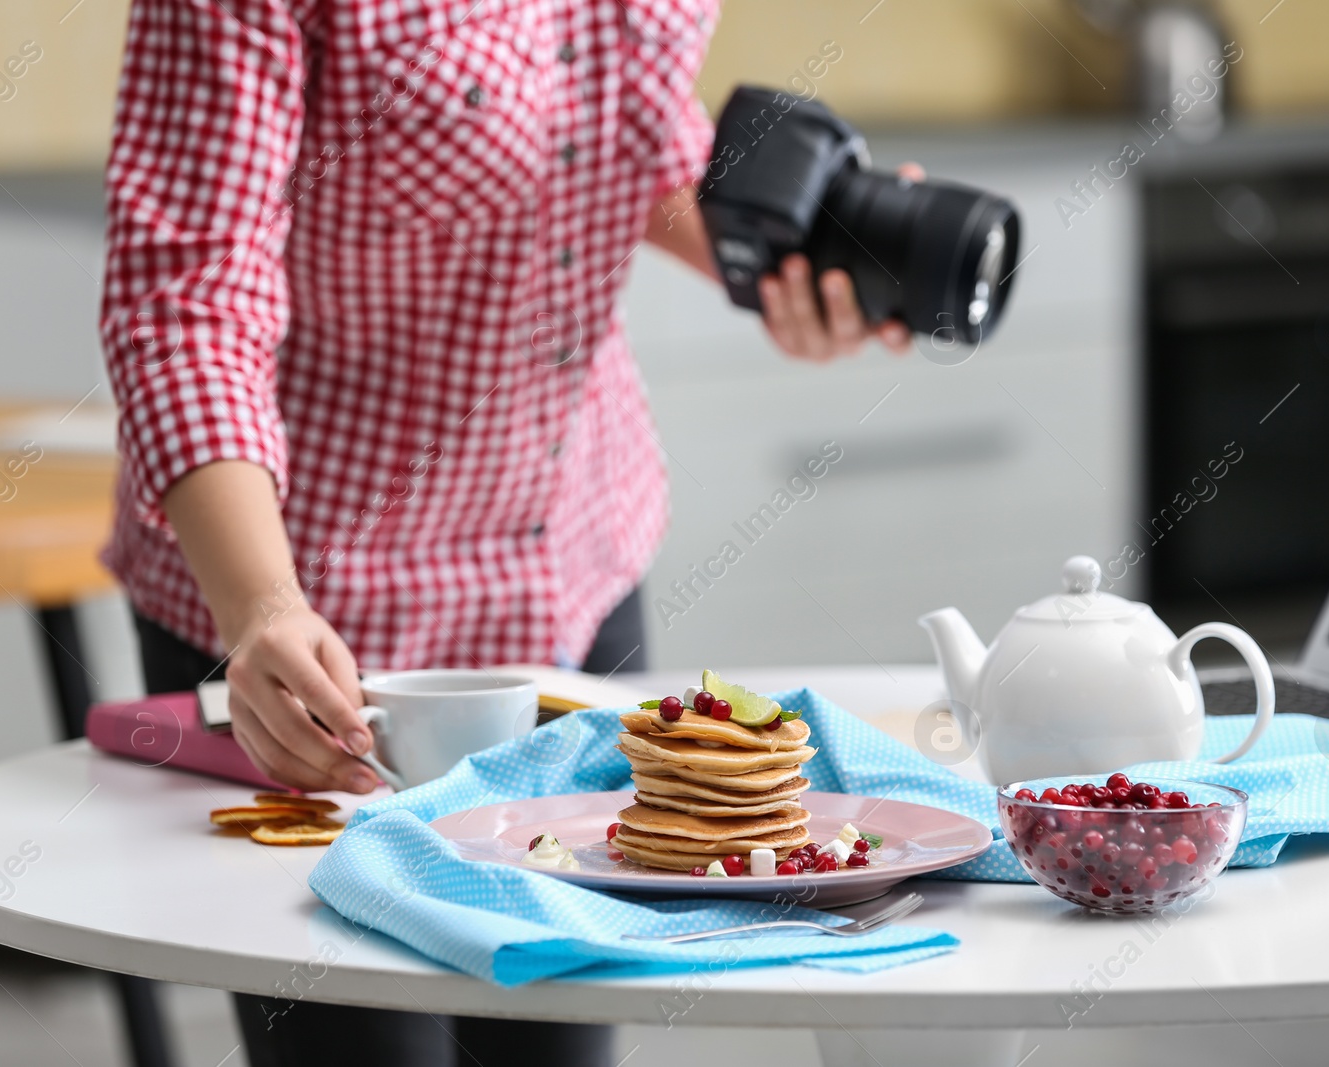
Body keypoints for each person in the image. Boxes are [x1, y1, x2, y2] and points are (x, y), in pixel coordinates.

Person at [100, 1, 911, 1064]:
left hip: (569, 570)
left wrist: (780, 263)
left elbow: (622, 147)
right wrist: (262, 601)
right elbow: (189, 299)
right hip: (313, 618)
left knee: (556, 1033)